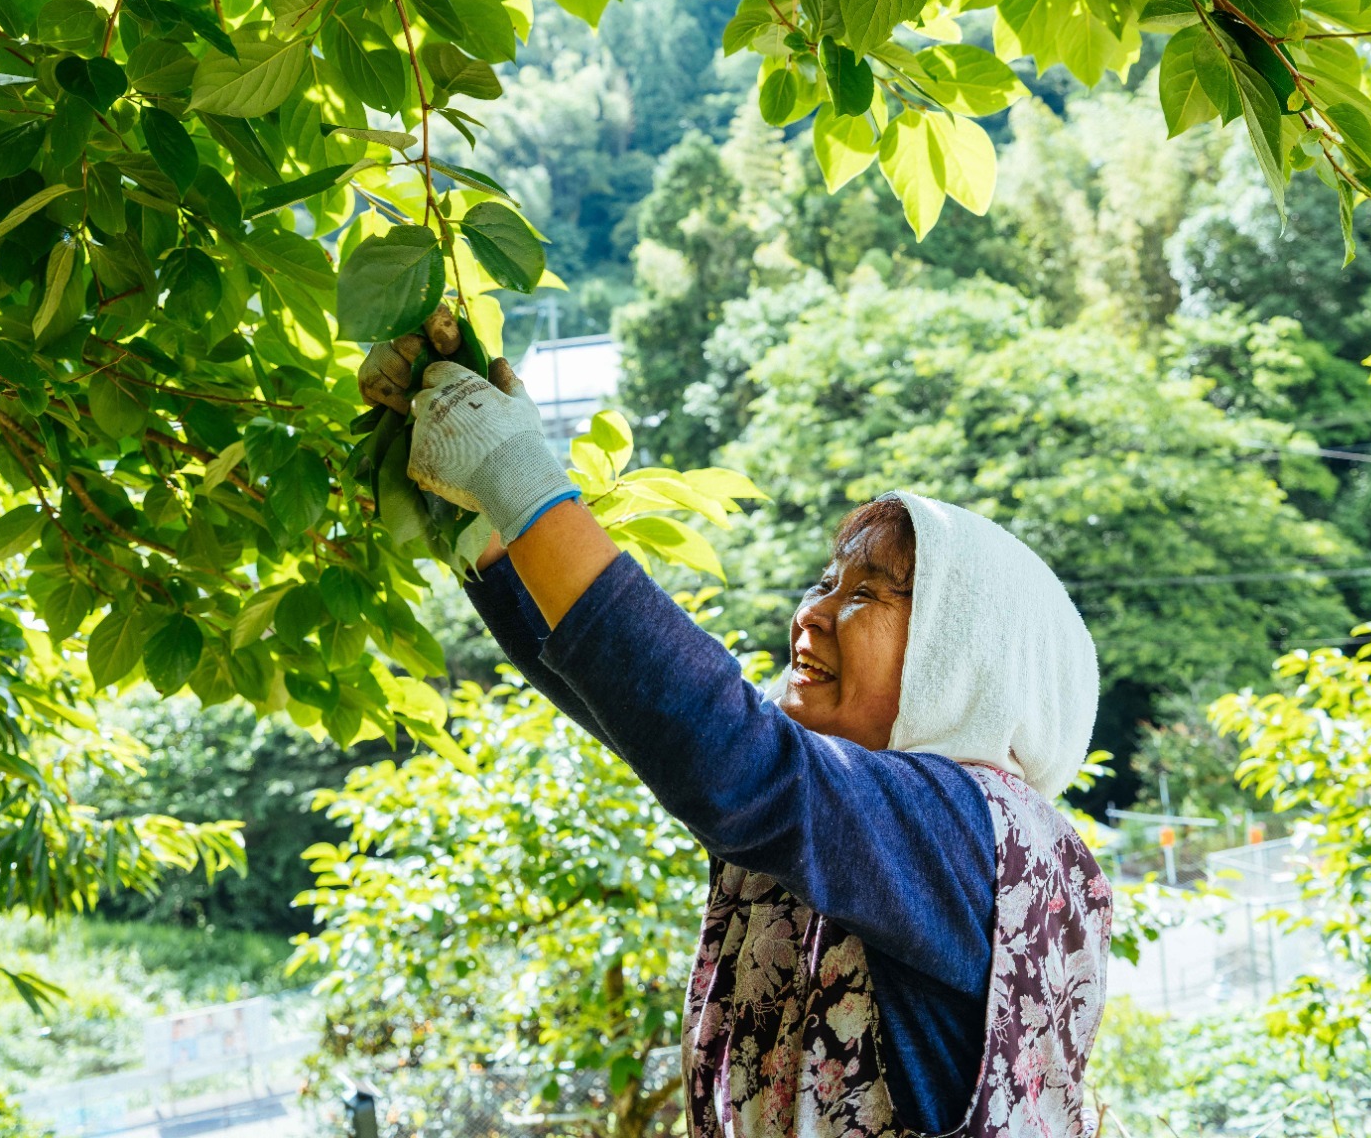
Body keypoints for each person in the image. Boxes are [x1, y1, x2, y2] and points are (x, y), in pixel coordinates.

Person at [360, 341, 1112, 1138]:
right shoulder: (865, 808)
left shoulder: (979, 834)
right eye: (825, 582)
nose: (811, 614)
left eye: (867, 594)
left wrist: (517, 475)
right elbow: (635, 704)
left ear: (966, 658)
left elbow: (730, 756)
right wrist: (472, 506)